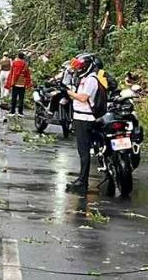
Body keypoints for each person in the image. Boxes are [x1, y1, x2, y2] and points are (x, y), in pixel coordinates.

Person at [64, 52, 102, 194]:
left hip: (85, 119)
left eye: (81, 66)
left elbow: (83, 98)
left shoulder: (91, 79)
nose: (79, 69)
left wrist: (68, 93)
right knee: (82, 151)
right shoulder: (84, 78)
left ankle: (83, 181)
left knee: (84, 151)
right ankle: (81, 179)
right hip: (80, 117)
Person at [4, 52, 32, 116]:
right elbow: (27, 75)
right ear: (23, 57)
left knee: (14, 98)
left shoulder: (14, 63)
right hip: (22, 84)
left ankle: (12, 111)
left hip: (15, 83)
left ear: (18, 56)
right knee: (21, 99)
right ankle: (20, 112)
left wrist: (9, 83)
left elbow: (11, 73)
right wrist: (28, 84)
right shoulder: (25, 64)